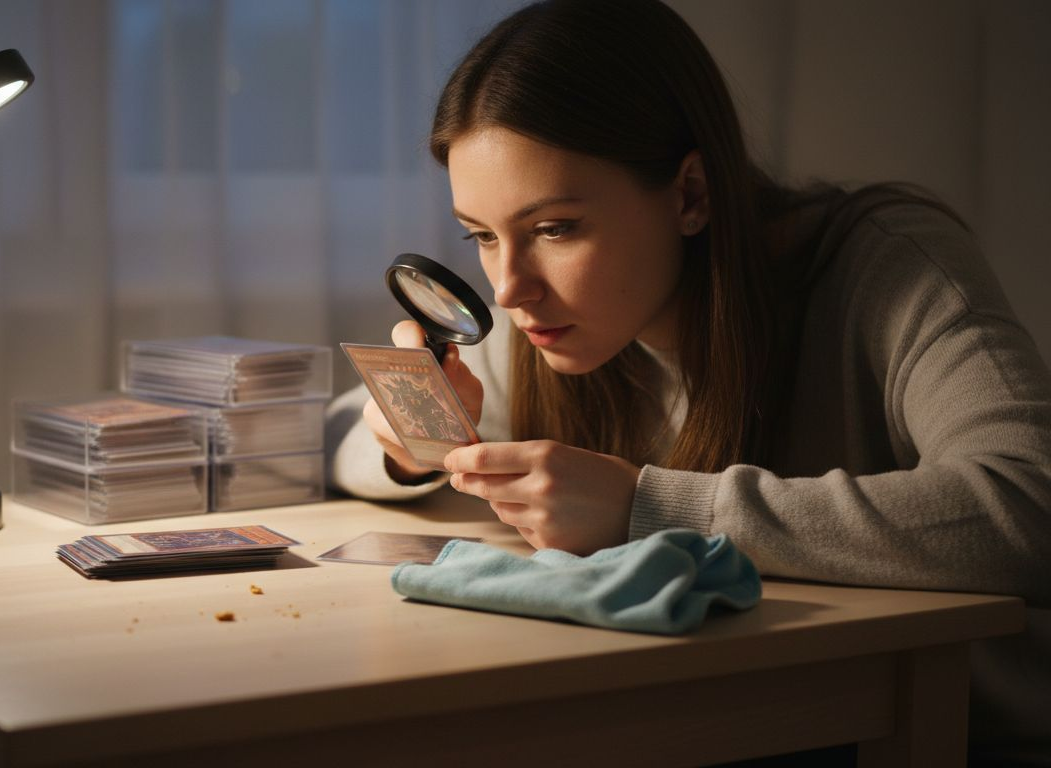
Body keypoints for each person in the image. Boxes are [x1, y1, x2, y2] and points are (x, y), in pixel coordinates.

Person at [325, 0, 1051, 764]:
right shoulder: (555, 321)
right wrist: (412, 447)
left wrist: (648, 509)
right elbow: (334, 431)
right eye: (480, 235)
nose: (509, 289)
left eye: (555, 229)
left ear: (690, 194)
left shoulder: (887, 267)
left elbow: (1031, 508)